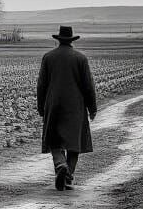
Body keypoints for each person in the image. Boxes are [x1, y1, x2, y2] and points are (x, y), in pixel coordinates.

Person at [36, 25, 97, 191]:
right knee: (74, 143)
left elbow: (41, 85)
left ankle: (60, 164)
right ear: (71, 40)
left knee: (54, 139)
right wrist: (92, 108)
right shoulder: (81, 58)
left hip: (53, 104)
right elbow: (88, 86)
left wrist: (41, 107)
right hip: (75, 106)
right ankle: (68, 177)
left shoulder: (48, 57)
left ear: (58, 40)